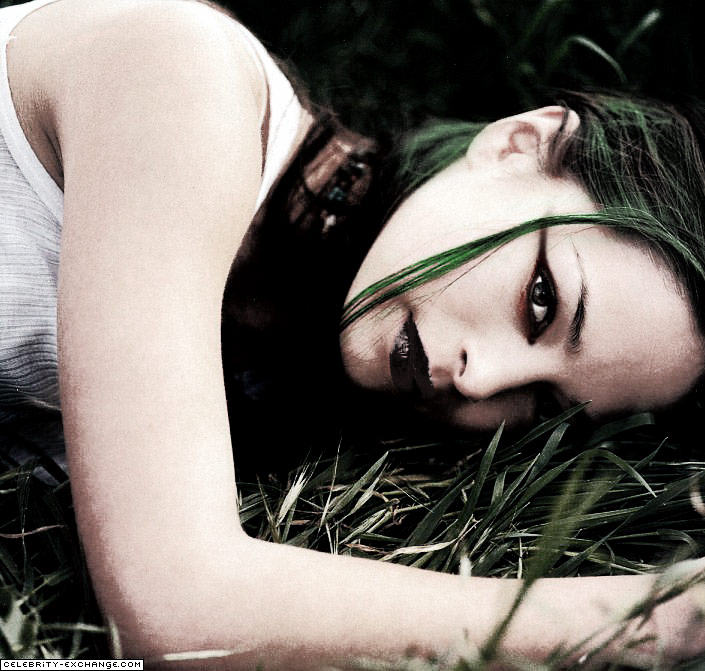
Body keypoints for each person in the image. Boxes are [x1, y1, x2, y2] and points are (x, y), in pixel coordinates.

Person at [0, 0, 704, 668]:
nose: (481, 379)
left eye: (541, 403)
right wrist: (654, 621)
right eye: (541, 301)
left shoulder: (272, 367)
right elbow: (173, 606)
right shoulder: (182, 75)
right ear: (519, 145)